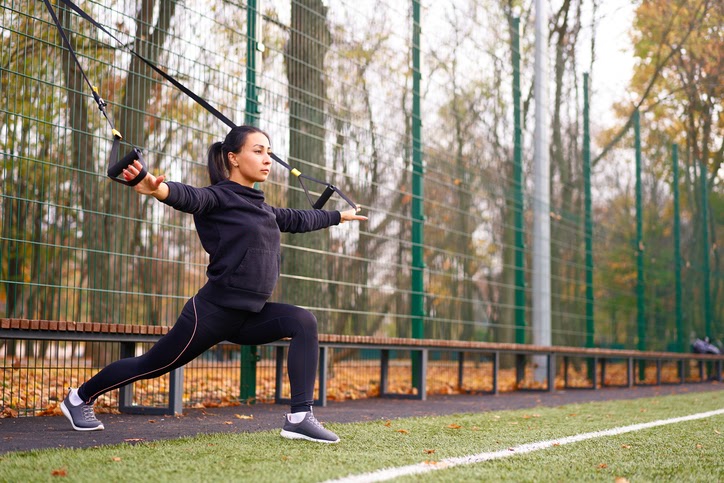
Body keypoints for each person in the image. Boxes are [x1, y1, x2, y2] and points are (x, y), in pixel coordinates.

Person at [60, 125, 367, 443]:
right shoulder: (218, 198)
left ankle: (301, 417)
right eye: (258, 151)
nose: (267, 159)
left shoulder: (264, 208)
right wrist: (155, 188)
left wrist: (337, 217)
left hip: (250, 315)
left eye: (269, 153)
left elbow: (299, 218)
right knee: (151, 365)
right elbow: (187, 196)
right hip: (212, 314)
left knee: (303, 321)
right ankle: (79, 398)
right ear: (233, 157)